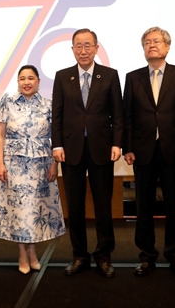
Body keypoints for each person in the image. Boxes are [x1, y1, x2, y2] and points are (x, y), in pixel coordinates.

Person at [123, 27, 175, 278]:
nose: (151, 45)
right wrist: (128, 147)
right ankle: (147, 256)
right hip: (142, 151)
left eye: (156, 41)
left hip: (174, 151)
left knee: (174, 206)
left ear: (167, 46)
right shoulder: (132, 78)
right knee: (143, 206)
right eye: (146, 42)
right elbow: (128, 117)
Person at [52, 28, 124, 278]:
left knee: (103, 206)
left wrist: (117, 143)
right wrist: (57, 145)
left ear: (96, 48)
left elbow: (118, 114)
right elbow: (57, 115)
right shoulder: (62, 77)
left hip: (102, 150)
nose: (83, 50)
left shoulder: (110, 76)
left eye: (87, 45)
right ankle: (79, 255)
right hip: (70, 151)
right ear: (73, 49)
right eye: (78, 46)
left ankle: (104, 255)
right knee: (75, 206)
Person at [0, 65, 66, 274]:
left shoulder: (48, 105)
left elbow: (56, 135)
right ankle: (22, 252)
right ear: (18, 82)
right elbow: (0, 133)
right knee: (19, 211)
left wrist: (54, 163)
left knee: (35, 209)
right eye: (22, 78)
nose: (26, 82)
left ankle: (33, 251)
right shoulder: (7, 102)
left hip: (41, 165)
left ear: (38, 81)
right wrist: (0, 163)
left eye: (31, 78)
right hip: (14, 165)